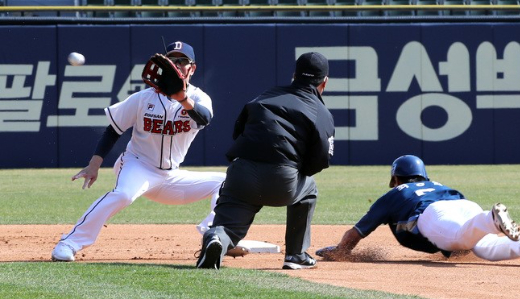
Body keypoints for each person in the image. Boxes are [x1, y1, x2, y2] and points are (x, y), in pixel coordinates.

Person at [51, 41, 226, 262]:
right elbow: (113, 130)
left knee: (229, 182)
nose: (177, 65)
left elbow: (205, 118)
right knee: (123, 195)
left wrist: (183, 98)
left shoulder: (199, 98)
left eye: (183, 61)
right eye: (173, 60)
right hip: (138, 166)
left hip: (172, 176)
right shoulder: (143, 98)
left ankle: (214, 235)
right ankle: (69, 243)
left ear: (192, 68)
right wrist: (94, 164)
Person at [196, 52, 335, 270]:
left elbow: (238, 132)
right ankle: (295, 255)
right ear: (324, 82)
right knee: (309, 188)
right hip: (283, 179)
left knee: (228, 228)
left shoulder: (265, 96)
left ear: (294, 75)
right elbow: (320, 160)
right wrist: (296, 171)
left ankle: (216, 239)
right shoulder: (321, 112)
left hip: (241, 172)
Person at [316, 155, 520, 264]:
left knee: (457, 238)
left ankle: (491, 219)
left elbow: (356, 232)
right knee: (480, 246)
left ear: (395, 177)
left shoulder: (395, 193)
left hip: (432, 214)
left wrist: (339, 251)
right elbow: (461, 248)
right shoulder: (438, 185)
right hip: (465, 205)